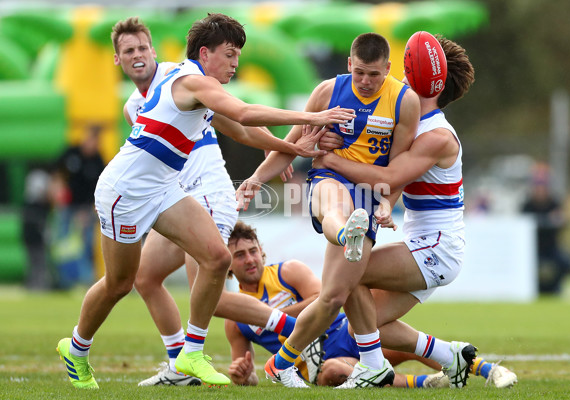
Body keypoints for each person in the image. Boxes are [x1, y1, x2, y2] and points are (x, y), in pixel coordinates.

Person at [55, 12, 356, 390]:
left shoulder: (187, 81)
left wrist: (290, 147)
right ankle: (77, 347)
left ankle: (190, 353)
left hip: (164, 188)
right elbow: (244, 111)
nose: (235, 63)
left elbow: (243, 128)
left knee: (217, 258)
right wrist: (316, 115)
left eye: (238, 56)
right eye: (229, 54)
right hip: (124, 193)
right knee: (120, 283)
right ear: (205, 53)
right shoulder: (192, 80)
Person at [107, 16, 296, 387]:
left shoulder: (182, 79)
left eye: (143, 47)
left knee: (209, 297)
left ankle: (302, 327)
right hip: (174, 200)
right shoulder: (133, 106)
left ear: (155, 52)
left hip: (206, 193)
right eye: (128, 51)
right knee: (146, 278)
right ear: (118, 60)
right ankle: (180, 365)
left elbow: (237, 119)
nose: (138, 55)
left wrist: (278, 146)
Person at [238, 32, 420, 388]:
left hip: (370, 193)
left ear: (388, 69)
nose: (366, 82)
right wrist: (257, 179)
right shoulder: (327, 91)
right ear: (349, 65)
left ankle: (282, 363)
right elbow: (292, 143)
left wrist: (388, 205)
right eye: (360, 73)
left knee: (335, 296)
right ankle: (345, 232)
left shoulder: (404, 102)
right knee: (335, 204)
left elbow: (397, 169)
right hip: (329, 176)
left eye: (375, 75)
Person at [310, 34, 486, 388]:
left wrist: (328, 159)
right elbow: (367, 149)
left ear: (423, 79)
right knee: (364, 323)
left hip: (436, 248)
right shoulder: (406, 120)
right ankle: (449, 357)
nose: (401, 79)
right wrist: (325, 138)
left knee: (349, 274)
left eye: (409, 72)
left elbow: (389, 175)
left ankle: (371, 371)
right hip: (422, 243)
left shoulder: (436, 135)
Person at [225, 221, 517, 389]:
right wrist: (243, 374)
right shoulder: (234, 318)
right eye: (239, 255)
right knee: (333, 374)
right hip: (318, 364)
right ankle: (426, 383)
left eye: (253, 251)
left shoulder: (287, 271)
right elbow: (249, 373)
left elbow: (326, 298)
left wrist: (269, 316)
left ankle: (488, 369)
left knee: (396, 339)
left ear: (262, 251)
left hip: (344, 333)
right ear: (227, 264)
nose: (250, 259)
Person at [51, 123, 105, 288]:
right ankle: (61, 280)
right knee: (61, 242)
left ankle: (85, 280)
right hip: (67, 206)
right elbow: (56, 170)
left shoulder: (98, 160)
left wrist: (88, 210)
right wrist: (58, 187)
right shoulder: (72, 152)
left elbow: (99, 188)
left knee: (86, 245)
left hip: (85, 209)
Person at [521, 162, 570, 294]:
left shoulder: (554, 203)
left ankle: (555, 288)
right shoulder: (527, 205)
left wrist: (560, 219)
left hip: (551, 247)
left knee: (565, 262)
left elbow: (563, 221)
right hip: (532, 248)